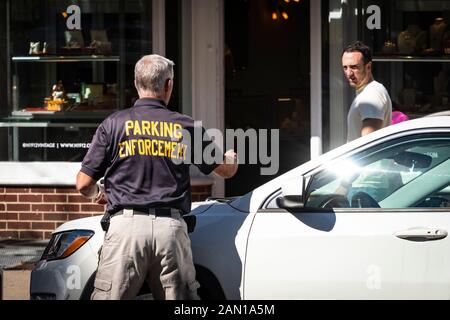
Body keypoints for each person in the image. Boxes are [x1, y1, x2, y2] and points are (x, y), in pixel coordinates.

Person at [76, 54, 238, 300]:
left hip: (125, 231)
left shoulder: (114, 124)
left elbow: (83, 183)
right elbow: (224, 171)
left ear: (136, 82)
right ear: (168, 85)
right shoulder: (186, 126)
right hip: (170, 231)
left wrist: (100, 195)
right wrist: (231, 157)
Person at [342, 41, 392, 142]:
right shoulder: (371, 91)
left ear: (368, 67)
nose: (348, 73)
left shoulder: (371, 95)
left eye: (354, 67)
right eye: (345, 67)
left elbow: (370, 144)